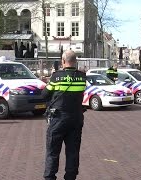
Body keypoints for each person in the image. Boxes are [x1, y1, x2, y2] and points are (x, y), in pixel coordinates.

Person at [42, 50, 86, 180]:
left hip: (59, 119)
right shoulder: (82, 77)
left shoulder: (56, 77)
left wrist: (48, 82)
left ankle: (50, 177)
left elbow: (44, 95)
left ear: (63, 61)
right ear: (76, 61)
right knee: (73, 152)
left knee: (53, 152)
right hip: (76, 119)